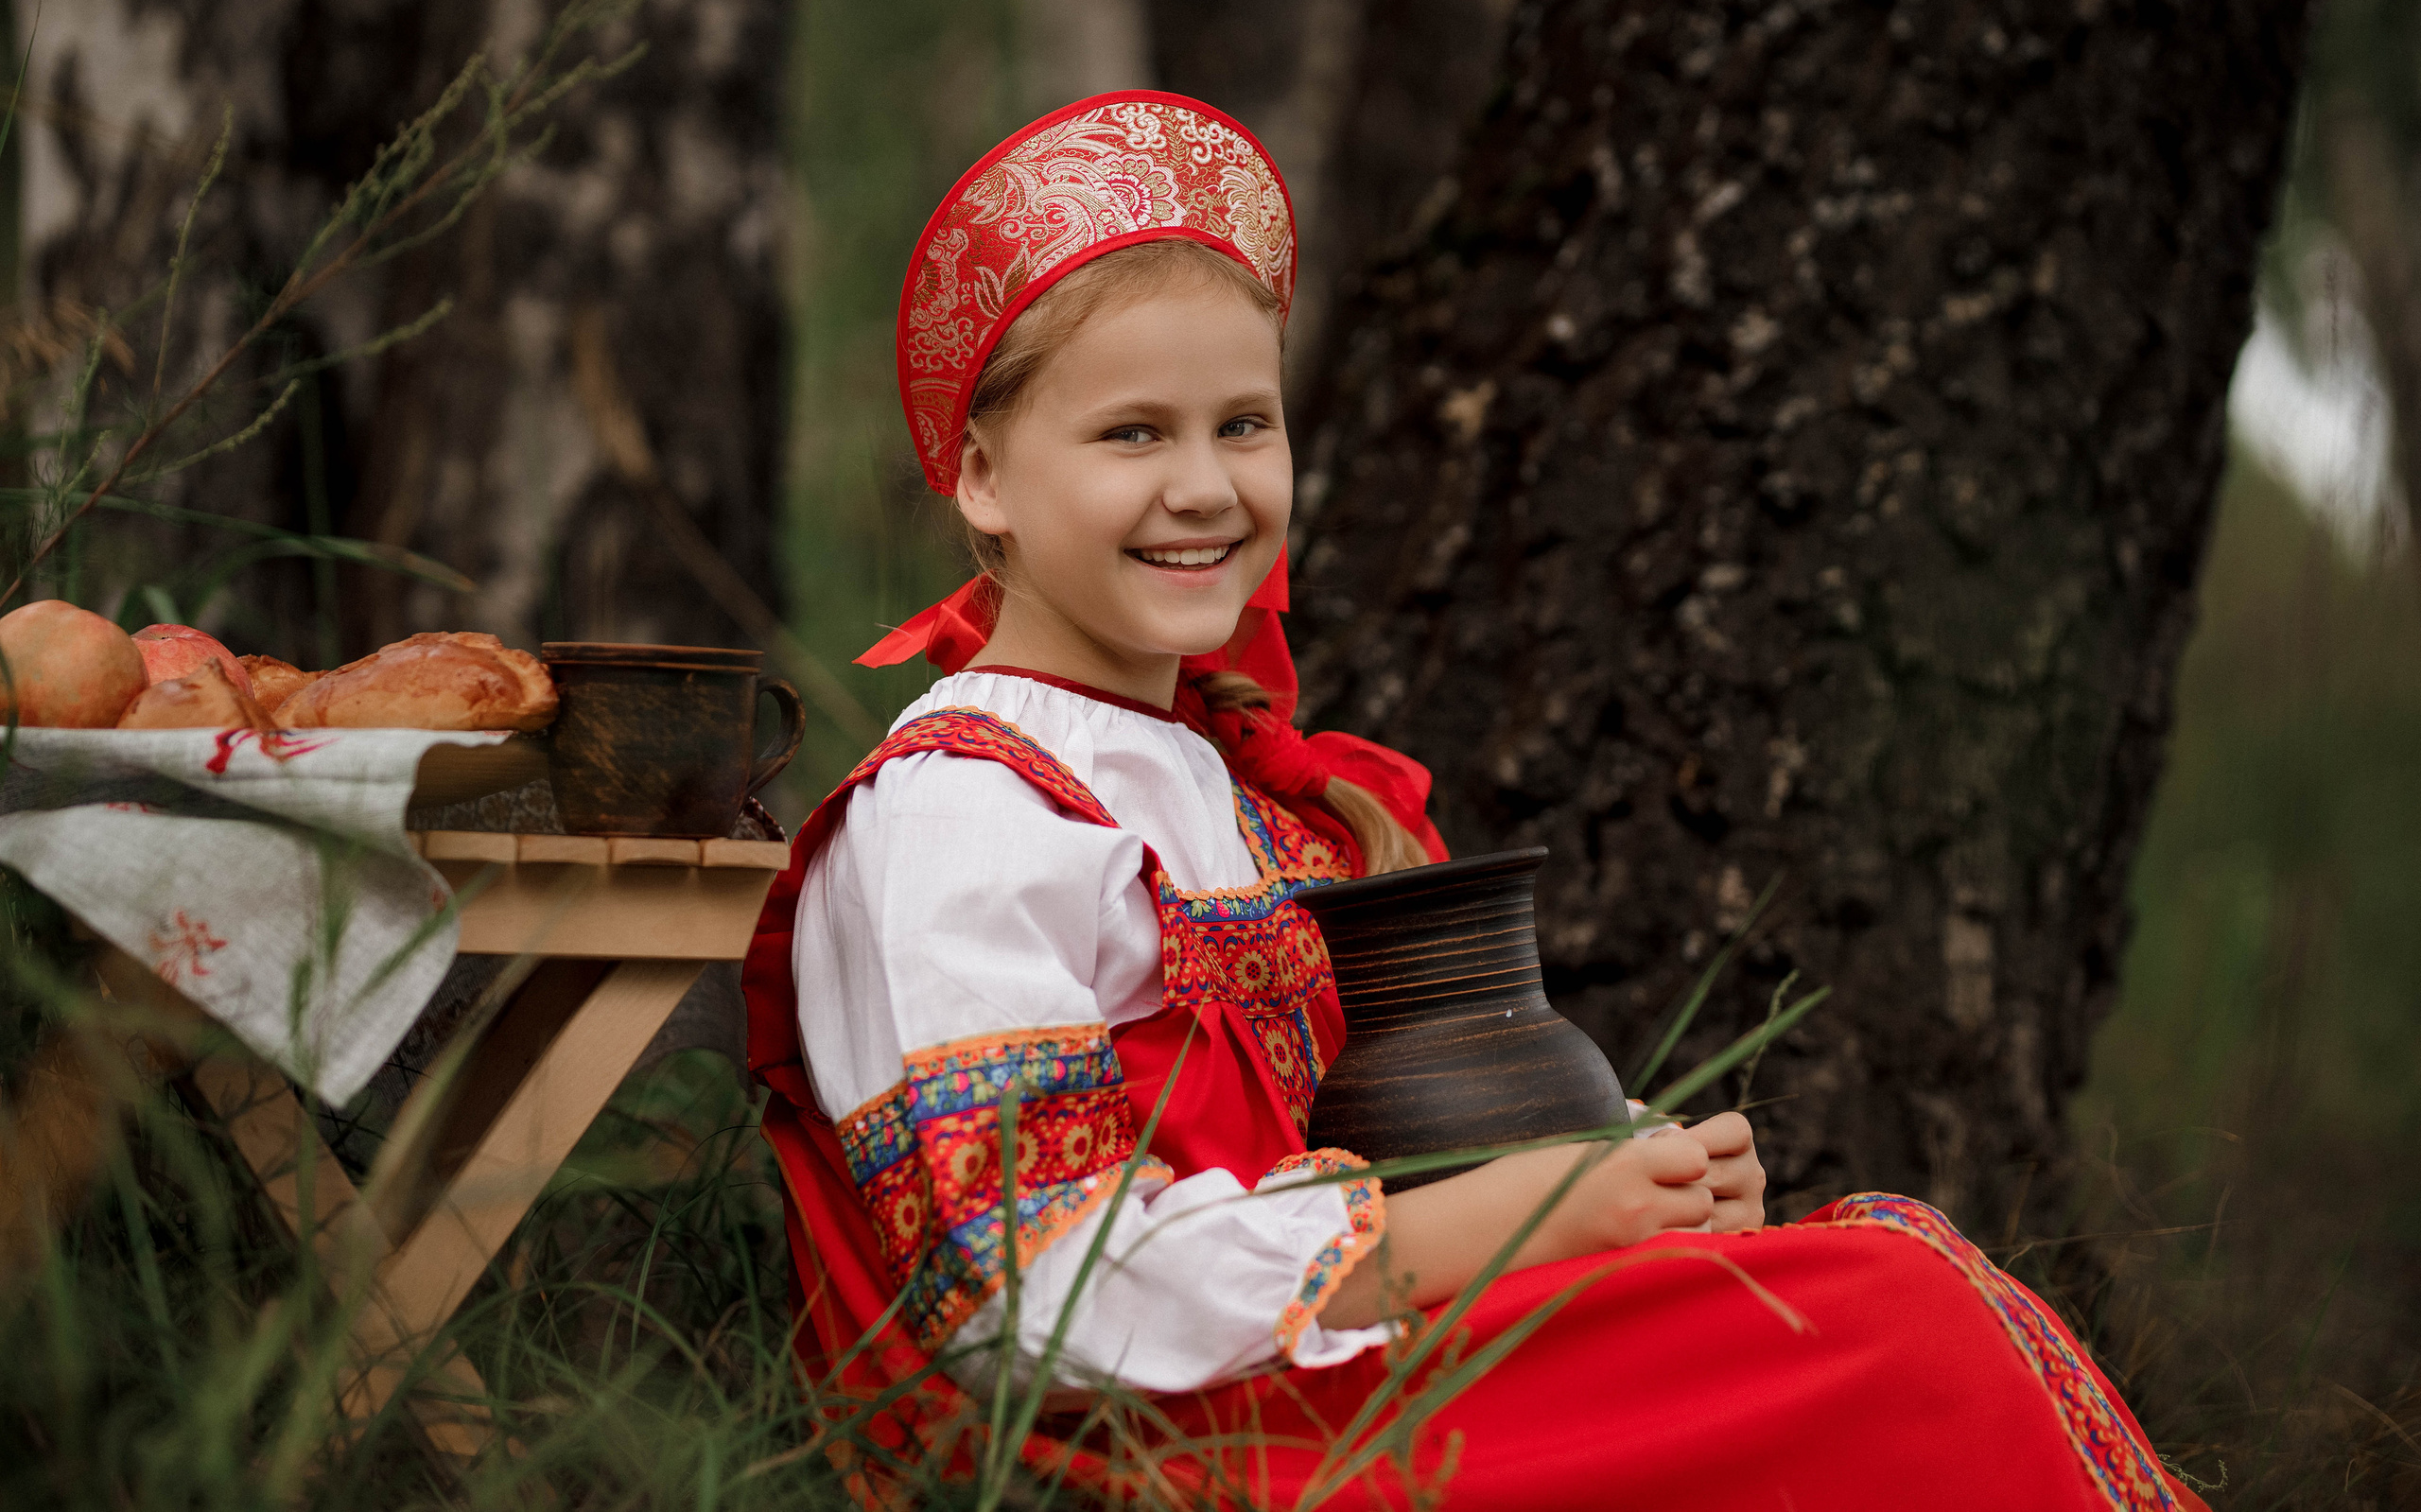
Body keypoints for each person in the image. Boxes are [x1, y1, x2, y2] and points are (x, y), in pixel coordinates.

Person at [741, 91, 2205, 1510]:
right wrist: (1544, 1213)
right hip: (1170, 1444)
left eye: (1245, 426)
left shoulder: (1229, 788)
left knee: (1878, 1289)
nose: (1205, 486)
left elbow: (1399, 1140)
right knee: (1899, 1330)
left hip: (1336, 1369)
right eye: (1134, 435)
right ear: (985, 476)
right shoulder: (959, 815)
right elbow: (1029, 1304)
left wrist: (1635, 1165)